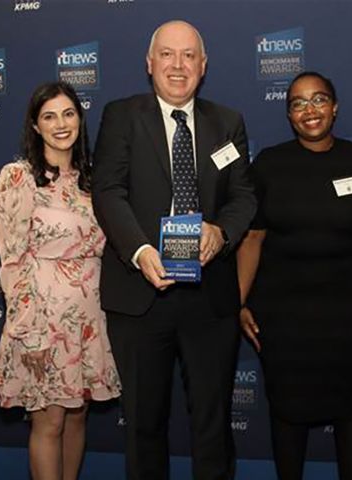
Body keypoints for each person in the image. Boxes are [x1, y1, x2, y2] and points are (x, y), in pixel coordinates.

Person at [91, 20, 256, 480]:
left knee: (212, 424)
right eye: (167, 54)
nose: (177, 65)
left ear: (203, 67)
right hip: (141, 295)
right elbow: (108, 190)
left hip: (210, 297)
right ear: (149, 63)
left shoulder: (228, 122)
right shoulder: (121, 116)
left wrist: (221, 233)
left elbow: (244, 195)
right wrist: (141, 251)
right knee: (143, 424)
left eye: (188, 56)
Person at [237, 71, 352, 480]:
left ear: (335, 107)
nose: (310, 110)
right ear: (289, 115)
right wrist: (239, 301)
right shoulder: (269, 164)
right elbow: (253, 238)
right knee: (287, 409)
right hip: (284, 317)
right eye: (298, 103)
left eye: (319, 99)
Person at [0, 81, 120, 480]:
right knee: (49, 423)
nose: (60, 124)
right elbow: (12, 261)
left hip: (88, 319)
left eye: (68, 113)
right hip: (42, 321)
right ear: (35, 126)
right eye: (49, 116)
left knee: (78, 418)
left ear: (80, 119)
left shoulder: (94, 180)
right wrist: (28, 331)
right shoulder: (19, 178)